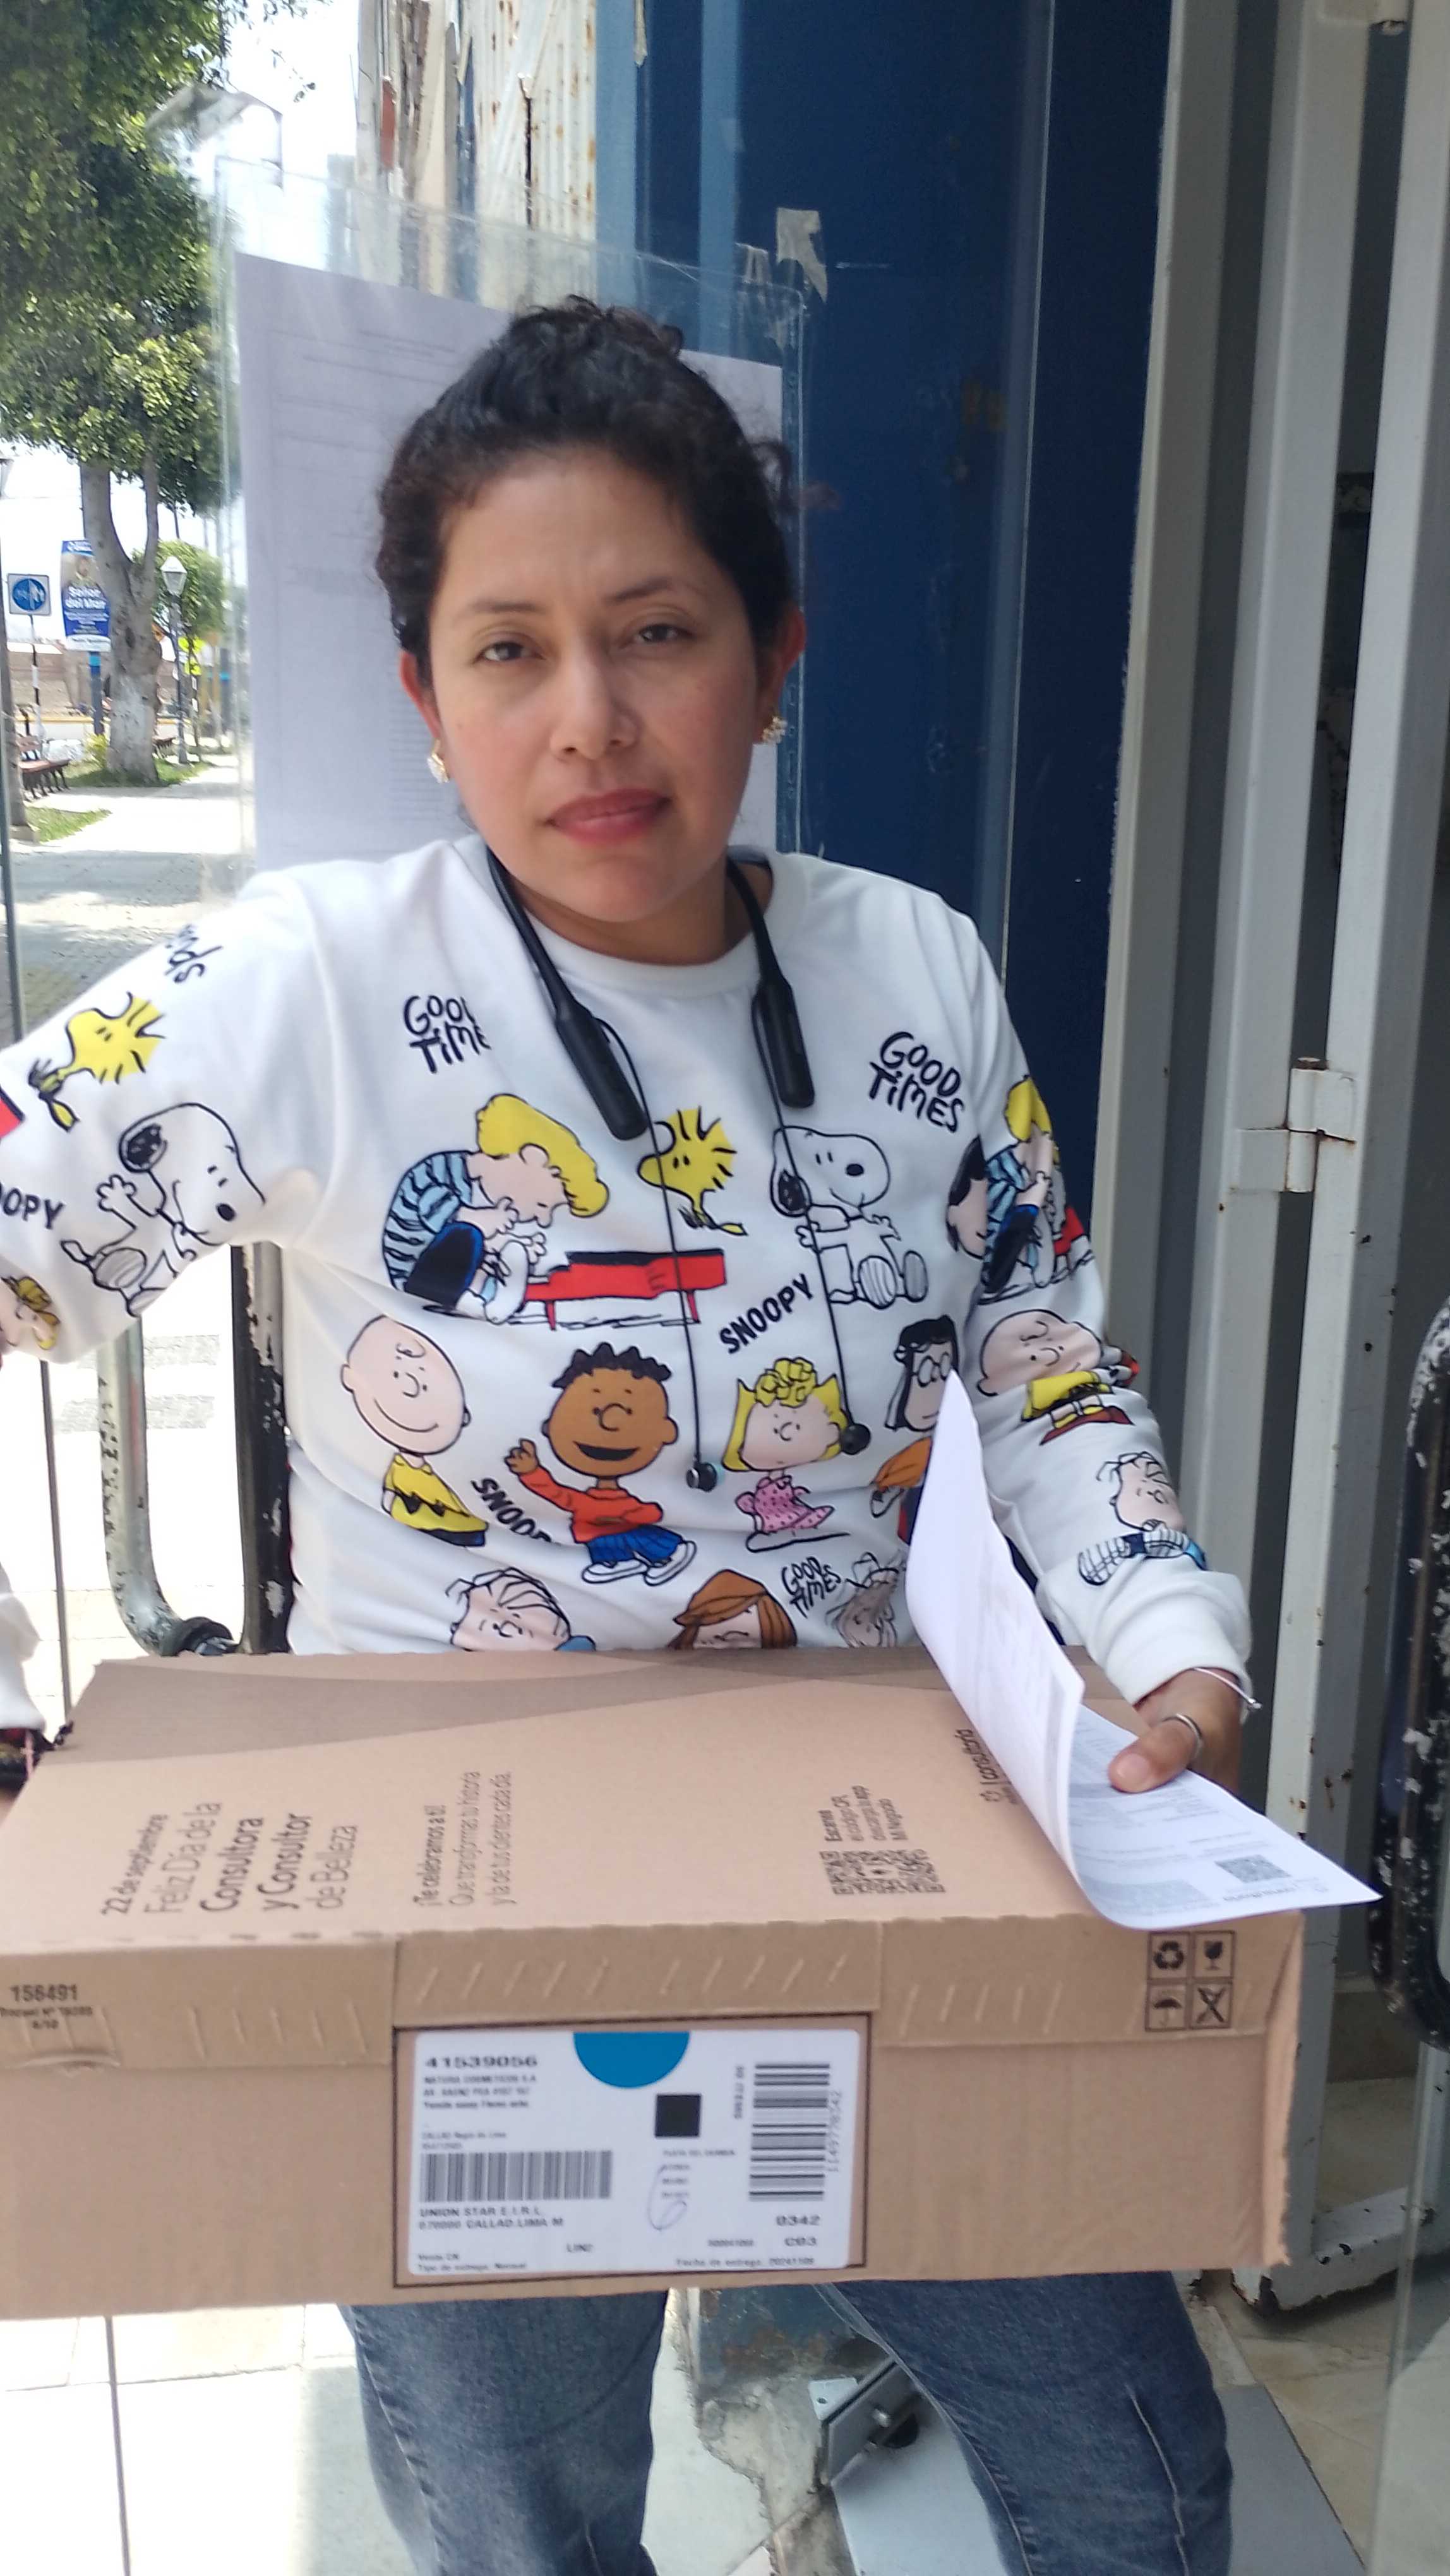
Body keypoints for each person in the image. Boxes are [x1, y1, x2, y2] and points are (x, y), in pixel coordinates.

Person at [0, 300, 1250, 2575]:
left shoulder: (917, 973)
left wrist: (1170, 1632)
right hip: (463, 1916)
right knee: (532, 2528)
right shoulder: (309, 984)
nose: (589, 718)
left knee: (1139, 2486)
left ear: (774, 660)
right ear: (424, 696)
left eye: (658, 632)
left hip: (872, 1866)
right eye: (510, 651)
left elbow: (1032, 1350)